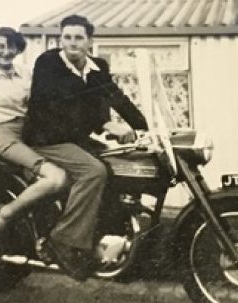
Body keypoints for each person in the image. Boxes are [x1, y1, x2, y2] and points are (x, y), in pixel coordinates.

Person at [23, 15, 148, 281]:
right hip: (47, 138)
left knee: (119, 163)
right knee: (93, 172)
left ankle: (102, 235)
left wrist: (144, 125)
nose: (72, 43)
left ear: (90, 41)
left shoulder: (96, 66)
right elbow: (59, 105)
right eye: (67, 37)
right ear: (61, 39)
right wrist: (105, 125)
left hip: (75, 139)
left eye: (78, 37)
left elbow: (116, 97)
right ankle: (63, 241)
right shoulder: (48, 63)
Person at [0, 27, 67, 249]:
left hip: (32, 133)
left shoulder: (25, 72)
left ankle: (45, 236)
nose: (6, 51)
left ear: (18, 48)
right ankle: (4, 215)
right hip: (4, 135)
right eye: (0, 46)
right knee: (56, 178)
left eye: (11, 46)